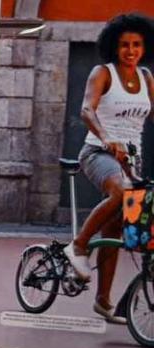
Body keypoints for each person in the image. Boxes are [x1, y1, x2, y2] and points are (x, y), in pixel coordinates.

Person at [63, 13, 154, 324]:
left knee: (117, 229)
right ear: (114, 47)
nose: (130, 50)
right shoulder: (103, 73)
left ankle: (103, 301)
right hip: (98, 152)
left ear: (144, 47)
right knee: (121, 192)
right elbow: (87, 109)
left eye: (137, 45)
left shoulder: (146, 78)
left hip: (131, 160)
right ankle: (77, 247)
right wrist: (107, 137)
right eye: (124, 44)